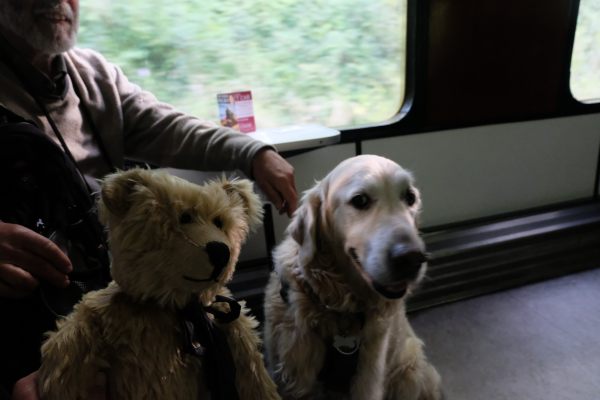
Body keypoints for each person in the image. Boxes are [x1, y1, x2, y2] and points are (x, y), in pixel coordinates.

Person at [0, 0, 298, 398]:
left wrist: (254, 153)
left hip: (116, 285)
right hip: (24, 314)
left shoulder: (93, 75)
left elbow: (168, 126)